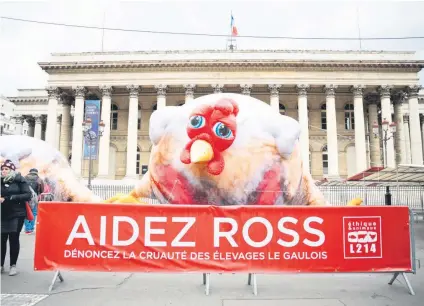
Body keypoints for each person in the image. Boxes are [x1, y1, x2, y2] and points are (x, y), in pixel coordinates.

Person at [1, 159, 32, 276]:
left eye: (6, 169)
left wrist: (10, 198)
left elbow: (27, 195)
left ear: (12, 170)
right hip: (2, 213)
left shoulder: (19, 180)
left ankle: (13, 265)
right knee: (1, 240)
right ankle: (1, 265)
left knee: (13, 238)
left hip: (17, 213)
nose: (3, 171)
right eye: (2, 169)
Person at [24, 168, 44, 234]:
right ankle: (31, 228)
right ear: (36, 172)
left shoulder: (24, 178)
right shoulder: (39, 179)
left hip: (26, 198)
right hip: (35, 199)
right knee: (34, 213)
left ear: (29, 172)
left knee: (26, 212)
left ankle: (27, 229)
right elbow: (42, 190)